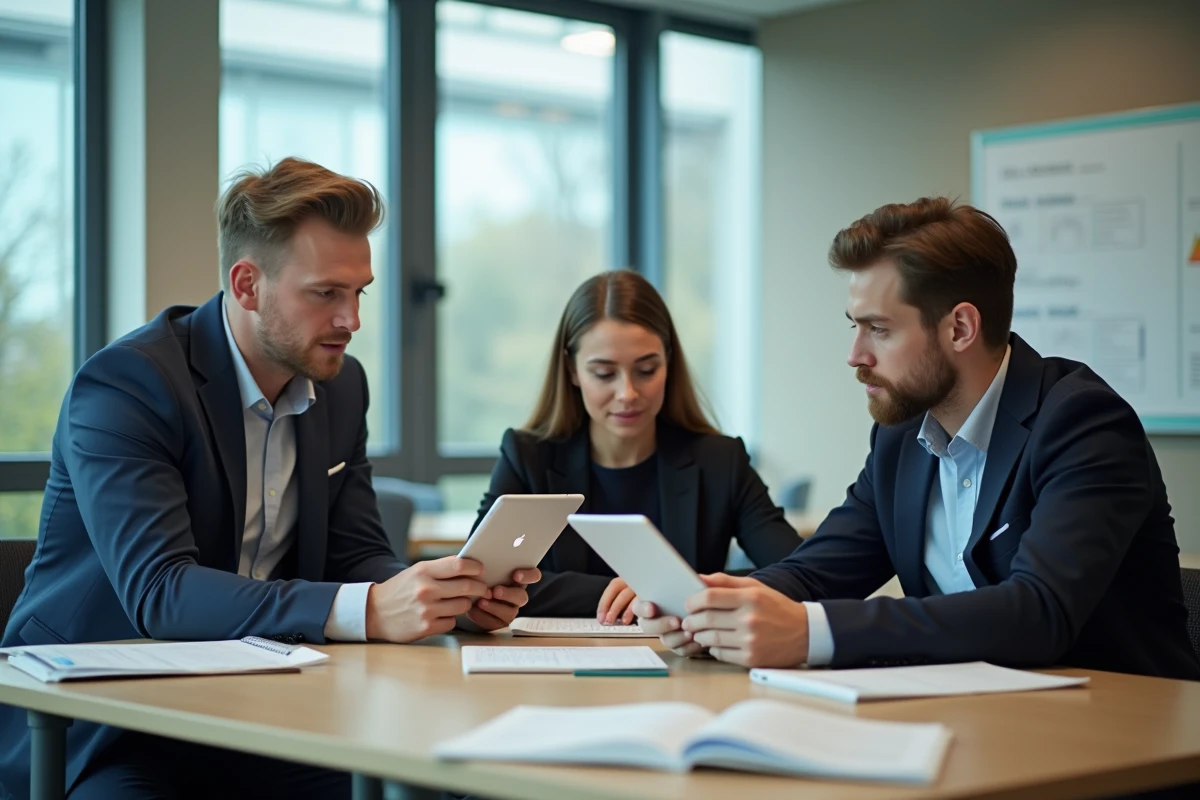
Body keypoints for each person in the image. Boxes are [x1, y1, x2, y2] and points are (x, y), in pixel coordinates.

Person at [0, 157, 539, 800]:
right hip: (112, 718)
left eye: (358, 292)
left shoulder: (342, 387)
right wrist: (369, 608)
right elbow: (161, 592)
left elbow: (355, 552)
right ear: (248, 284)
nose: (352, 320)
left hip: (270, 705)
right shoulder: (127, 386)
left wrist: (438, 597)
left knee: (440, 783)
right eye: (325, 294)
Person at [636, 197, 1200, 682]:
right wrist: (709, 603)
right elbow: (816, 571)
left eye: (879, 329)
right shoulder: (902, 438)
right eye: (854, 326)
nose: (855, 355)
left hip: (1115, 739)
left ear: (959, 328)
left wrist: (810, 632)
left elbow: (1040, 612)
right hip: (967, 724)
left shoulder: (1082, 422)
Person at [474, 269, 799, 623]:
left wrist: (668, 590)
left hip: (686, 670)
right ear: (571, 370)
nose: (627, 394)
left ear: (668, 363)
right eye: (603, 373)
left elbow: (798, 573)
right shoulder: (527, 457)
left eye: (646, 370)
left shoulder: (720, 461)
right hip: (558, 669)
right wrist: (630, 593)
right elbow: (480, 582)